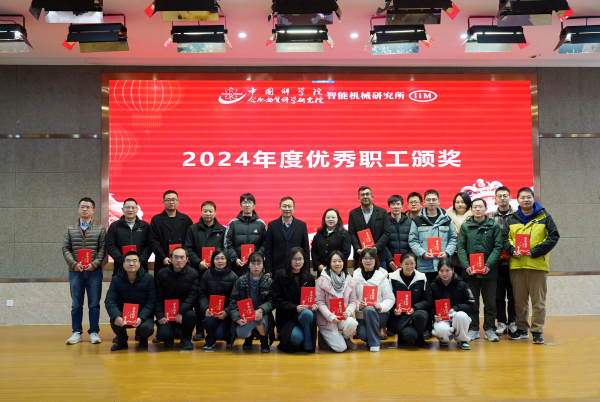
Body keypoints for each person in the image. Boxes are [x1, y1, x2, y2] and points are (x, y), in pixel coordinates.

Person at [504, 188, 560, 344]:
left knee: (538, 302)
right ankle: (522, 328)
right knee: (519, 301)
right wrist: (511, 250)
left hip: (537, 265)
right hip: (517, 266)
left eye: (528, 197)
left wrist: (535, 251)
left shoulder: (544, 217)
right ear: (517, 200)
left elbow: (554, 236)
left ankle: (537, 331)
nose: (526, 200)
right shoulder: (512, 219)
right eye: (522, 197)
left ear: (533, 198)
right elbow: (505, 238)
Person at [457, 198, 503, 342]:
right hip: (470, 272)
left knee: (490, 303)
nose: (478, 209)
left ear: (485, 209)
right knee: (472, 302)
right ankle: (473, 329)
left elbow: (498, 247)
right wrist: (466, 266)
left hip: (489, 272)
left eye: (480, 206)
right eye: (475, 207)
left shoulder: (493, 226)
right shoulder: (465, 227)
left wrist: (488, 264)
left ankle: (490, 329)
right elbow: (461, 248)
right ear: (471, 209)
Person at [62, 197, 106, 345]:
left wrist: (95, 264)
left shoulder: (100, 228)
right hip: (75, 272)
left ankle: (93, 332)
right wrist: (73, 264)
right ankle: (76, 333)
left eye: (88, 207)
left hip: (94, 272)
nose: (85, 209)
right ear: (78, 209)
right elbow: (65, 248)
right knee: (76, 304)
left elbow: (103, 249)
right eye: (82, 206)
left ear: (93, 210)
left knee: (94, 304)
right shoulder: (70, 228)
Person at [183, 200, 226, 341]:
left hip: (216, 271)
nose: (208, 213)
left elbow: (225, 250)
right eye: (205, 211)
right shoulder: (193, 229)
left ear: (215, 212)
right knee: (198, 300)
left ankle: (214, 327)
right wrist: (198, 262)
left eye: (210, 211)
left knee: (214, 297)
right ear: (201, 212)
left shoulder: (222, 230)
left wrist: (218, 263)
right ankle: (200, 330)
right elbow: (188, 248)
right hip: (198, 270)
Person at [104, 250, 156, 351]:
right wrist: (117, 316)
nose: (131, 263)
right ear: (123, 264)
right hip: (124, 314)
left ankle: (143, 339)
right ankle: (122, 341)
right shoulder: (116, 279)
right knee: (114, 319)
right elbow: (109, 300)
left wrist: (141, 317)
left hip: (142, 314)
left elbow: (151, 301)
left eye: (134, 261)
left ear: (139, 264)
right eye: (128, 261)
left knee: (147, 328)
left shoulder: (149, 279)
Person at [272, 247, 318, 353]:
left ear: (304, 260)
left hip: (304, 316)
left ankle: (308, 345)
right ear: (289, 260)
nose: (297, 262)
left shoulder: (310, 278)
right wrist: (294, 308)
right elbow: (277, 300)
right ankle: (293, 338)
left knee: (308, 313)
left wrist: (314, 305)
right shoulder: (280, 276)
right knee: (296, 337)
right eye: (294, 259)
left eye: (300, 259)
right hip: (287, 317)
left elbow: (312, 298)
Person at [408, 189, 457, 283]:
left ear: (439, 201)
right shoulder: (417, 220)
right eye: (428, 199)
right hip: (425, 265)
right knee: (426, 290)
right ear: (424, 202)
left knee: (444, 291)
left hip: (443, 265)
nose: (431, 202)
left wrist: (447, 253)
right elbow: (413, 241)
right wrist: (422, 254)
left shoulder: (447, 219)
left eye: (434, 199)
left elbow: (453, 239)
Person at [229, 252, 275, 353]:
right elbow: (233, 301)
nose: (256, 266)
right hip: (245, 316)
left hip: (262, 315)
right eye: (253, 263)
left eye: (259, 263)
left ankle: (264, 340)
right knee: (241, 333)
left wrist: (261, 310)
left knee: (259, 317)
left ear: (263, 265)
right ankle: (249, 337)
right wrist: (237, 318)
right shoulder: (240, 281)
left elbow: (272, 301)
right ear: (248, 265)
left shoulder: (269, 282)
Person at [154, 247, 199, 350]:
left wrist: (181, 312)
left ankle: (186, 339)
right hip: (166, 312)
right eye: (176, 257)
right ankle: (170, 335)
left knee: (191, 316)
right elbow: (158, 296)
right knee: (164, 336)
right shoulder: (161, 273)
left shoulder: (193, 273)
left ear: (187, 259)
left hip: (184, 310)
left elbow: (192, 296)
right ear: (170, 259)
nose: (179, 260)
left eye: (182, 257)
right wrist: (160, 315)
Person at [315, 251, 358, 353]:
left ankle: (346, 338)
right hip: (327, 319)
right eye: (334, 261)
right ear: (329, 263)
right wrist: (330, 316)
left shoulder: (349, 280)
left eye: (340, 261)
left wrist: (348, 312)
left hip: (343, 317)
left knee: (352, 323)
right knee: (340, 348)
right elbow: (319, 302)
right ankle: (322, 334)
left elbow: (353, 301)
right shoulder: (322, 280)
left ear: (344, 262)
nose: (337, 264)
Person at [353, 248, 395, 352]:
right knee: (362, 335)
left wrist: (381, 306)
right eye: (365, 258)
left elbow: (390, 298)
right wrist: (358, 305)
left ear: (376, 260)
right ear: (361, 260)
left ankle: (374, 343)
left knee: (370, 309)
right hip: (361, 314)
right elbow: (351, 298)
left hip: (379, 313)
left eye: (371, 258)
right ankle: (372, 336)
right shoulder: (355, 277)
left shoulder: (382, 277)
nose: (368, 261)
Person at [429, 257, 476, 350]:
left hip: (456, 316)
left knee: (461, 316)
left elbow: (471, 304)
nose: (444, 274)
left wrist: (455, 309)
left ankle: (462, 340)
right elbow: (429, 305)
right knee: (442, 331)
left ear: (453, 270)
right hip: (442, 318)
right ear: (438, 271)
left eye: (447, 270)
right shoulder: (433, 286)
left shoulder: (461, 284)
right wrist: (434, 315)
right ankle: (444, 339)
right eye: (441, 271)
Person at [488, 187, 517, 336]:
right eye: (499, 196)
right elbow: (488, 239)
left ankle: (512, 322)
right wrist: (494, 255)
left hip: (514, 262)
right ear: (495, 199)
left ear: (510, 197)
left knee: (513, 295)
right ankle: (500, 322)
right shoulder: (490, 217)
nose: (502, 198)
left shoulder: (517, 216)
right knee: (498, 295)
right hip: (497, 264)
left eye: (505, 195)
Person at [388, 252, 432, 349]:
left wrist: (414, 308)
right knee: (410, 336)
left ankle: (420, 338)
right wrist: (394, 309)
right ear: (400, 264)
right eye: (406, 264)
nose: (409, 266)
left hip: (416, 312)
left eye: (412, 263)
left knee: (420, 315)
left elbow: (427, 300)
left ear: (415, 264)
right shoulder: (392, 278)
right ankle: (402, 334)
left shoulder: (422, 277)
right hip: (399, 316)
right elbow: (388, 299)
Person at [198, 248, 239, 350]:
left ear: (227, 260)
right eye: (217, 258)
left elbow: (236, 299)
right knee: (209, 320)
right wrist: (205, 308)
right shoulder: (206, 275)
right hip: (211, 311)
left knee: (220, 334)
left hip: (226, 313)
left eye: (222, 258)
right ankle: (210, 340)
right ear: (212, 260)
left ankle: (229, 337)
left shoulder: (233, 277)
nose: (220, 261)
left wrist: (227, 312)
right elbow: (202, 295)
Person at [148, 190, 193, 275]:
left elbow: (190, 240)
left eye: (173, 200)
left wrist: (186, 257)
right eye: (168, 200)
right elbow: (153, 241)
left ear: (178, 201)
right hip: (163, 261)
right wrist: (163, 257)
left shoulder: (185, 219)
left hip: (182, 261)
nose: (171, 202)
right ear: (163, 202)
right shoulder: (156, 219)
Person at [224, 193, 267, 277]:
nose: (247, 205)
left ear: (254, 205)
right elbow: (227, 243)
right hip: (237, 266)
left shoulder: (261, 223)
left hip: (256, 266)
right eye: (244, 202)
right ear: (240, 205)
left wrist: (257, 258)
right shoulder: (233, 223)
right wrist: (235, 259)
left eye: (250, 202)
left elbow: (266, 243)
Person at [264, 197, 310, 277]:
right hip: (277, 268)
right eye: (284, 206)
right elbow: (268, 249)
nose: (287, 209)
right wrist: (268, 269)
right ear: (280, 208)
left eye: (289, 206)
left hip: (297, 268)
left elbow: (305, 249)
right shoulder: (272, 225)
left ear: (294, 208)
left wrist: (306, 270)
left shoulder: (301, 225)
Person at [106, 198, 151, 276]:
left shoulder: (145, 226)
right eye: (127, 207)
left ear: (137, 209)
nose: (130, 210)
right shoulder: (115, 226)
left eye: (133, 207)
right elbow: (110, 246)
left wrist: (139, 260)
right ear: (122, 209)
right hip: (120, 267)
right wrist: (124, 260)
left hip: (141, 267)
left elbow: (149, 245)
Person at [348, 186, 391, 266]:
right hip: (360, 256)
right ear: (358, 198)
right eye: (362, 195)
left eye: (367, 194)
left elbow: (386, 233)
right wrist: (358, 249)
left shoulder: (382, 212)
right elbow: (351, 233)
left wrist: (375, 248)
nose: (365, 196)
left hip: (379, 256)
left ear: (372, 197)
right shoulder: (353, 213)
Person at [310, 208, 351, 277]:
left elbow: (346, 252)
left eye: (333, 217)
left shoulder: (344, 234)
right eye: (328, 217)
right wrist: (319, 265)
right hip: (322, 271)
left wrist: (335, 264)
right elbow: (314, 252)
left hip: (338, 270)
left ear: (338, 219)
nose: (330, 219)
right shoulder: (319, 234)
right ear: (324, 219)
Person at [446, 192, 473, 277]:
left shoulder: (474, 215)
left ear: (468, 203)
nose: (460, 204)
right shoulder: (446, 216)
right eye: (457, 202)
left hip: (468, 252)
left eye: (463, 202)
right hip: (452, 253)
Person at [385, 195, 413, 273]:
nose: (395, 206)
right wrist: (389, 259)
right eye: (393, 204)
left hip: (407, 262)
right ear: (389, 207)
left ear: (402, 206)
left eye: (398, 204)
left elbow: (413, 241)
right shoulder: (384, 222)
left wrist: (409, 258)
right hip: (389, 262)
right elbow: (382, 243)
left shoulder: (410, 222)